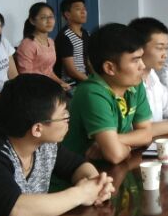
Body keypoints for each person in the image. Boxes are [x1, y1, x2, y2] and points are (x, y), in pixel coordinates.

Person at [0, 74, 114, 216]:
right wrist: (81, 194)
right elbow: (16, 211)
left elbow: (76, 165)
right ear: (37, 129)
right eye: (64, 115)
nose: (68, 120)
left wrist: (96, 184)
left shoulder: (44, 143)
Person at [62, 23, 153, 165]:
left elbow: (147, 135)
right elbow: (115, 155)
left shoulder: (135, 84)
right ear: (110, 68)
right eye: (135, 60)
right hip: (80, 172)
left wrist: (113, 141)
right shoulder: (92, 93)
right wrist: (127, 145)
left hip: (109, 169)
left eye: (141, 58)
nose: (143, 66)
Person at [16, 2, 70, 90]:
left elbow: (48, 71)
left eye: (51, 17)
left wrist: (61, 82)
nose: (49, 21)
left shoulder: (50, 41)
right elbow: (26, 77)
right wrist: (55, 87)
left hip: (48, 86)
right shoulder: (28, 44)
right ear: (32, 21)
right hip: (34, 89)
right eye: (43, 17)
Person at [55, 0, 91, 87]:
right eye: (78, 9)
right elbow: (71, 71)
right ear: (67, 15)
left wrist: (97, 79)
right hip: (70, 84)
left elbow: (89, 60)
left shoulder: (86, 34)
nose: (83, 12)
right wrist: (92, 82)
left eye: (84, 9)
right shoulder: (65, 36)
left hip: (86, 80)